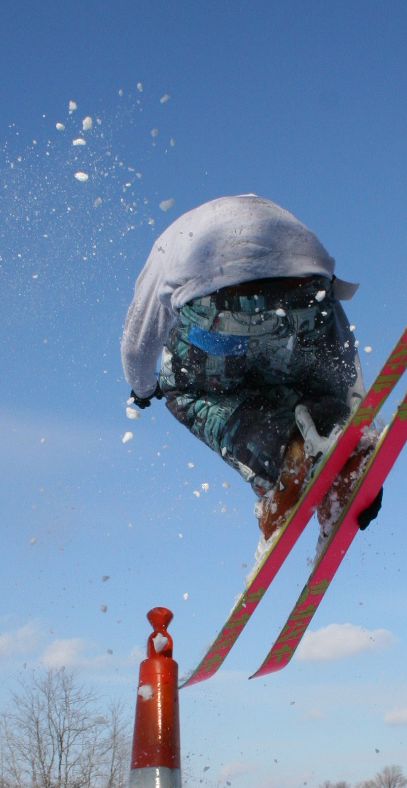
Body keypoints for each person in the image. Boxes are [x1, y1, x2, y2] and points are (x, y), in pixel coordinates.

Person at [121, 193, 381, 549]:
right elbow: (333, 342)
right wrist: (354, 418)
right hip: (309, 293)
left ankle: (285, 461)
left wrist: (143, 386)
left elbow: (139, 338)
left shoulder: (171, 241)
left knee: (186, 388)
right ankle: (341, 449)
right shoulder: (278, 216)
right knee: (306, 380)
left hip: (223, 310)